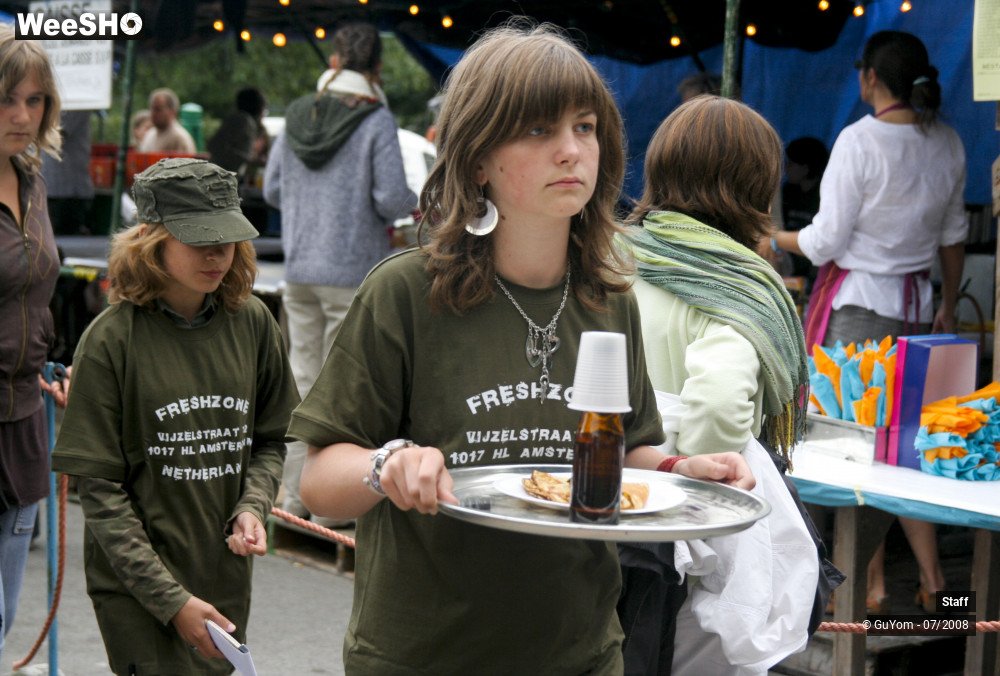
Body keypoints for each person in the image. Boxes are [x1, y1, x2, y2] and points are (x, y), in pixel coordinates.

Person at [290, 22, 754, 674]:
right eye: (539, 130)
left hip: (580, 652)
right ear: (478, 158)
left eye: (586, 127)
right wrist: (385, 466)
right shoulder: (405, 294)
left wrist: (681, 471)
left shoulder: (608, 298)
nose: (571, 151)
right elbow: (317, 483)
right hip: (424, 656)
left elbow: (624, 450)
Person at [50, 158, 299, 675]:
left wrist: (253, 504)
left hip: (223, 577)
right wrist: (171, 601)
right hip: (139, 588)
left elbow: (272, 439)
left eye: (226, 238)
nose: (217, 255)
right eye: (198, 239)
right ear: (151, 238)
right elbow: (98, 489)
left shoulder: (253, 322)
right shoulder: (111, 340)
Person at [618, 95, 827, 675]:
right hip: (682, 530)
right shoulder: (734, 282)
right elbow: (718, 416)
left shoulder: (612, 255)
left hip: (599, 495)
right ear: (755, 186)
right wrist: (681, 461)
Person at [773, 30, 966, 614]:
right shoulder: (949, 142)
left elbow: (825, 240)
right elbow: (954, 237)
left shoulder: (859, 141)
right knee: (910, 450)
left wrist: (771, 237)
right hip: (917, 309)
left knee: (852, 450)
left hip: (856, 313)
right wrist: (950, 303)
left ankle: (868, 590)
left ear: (870, 80)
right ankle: (941, 591)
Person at [264, 21, 417, 526]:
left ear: (333, 61)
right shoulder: (375, 120)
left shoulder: (296, 115)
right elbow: (391, 198)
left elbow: (271, 191)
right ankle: (331, 513)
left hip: (300, 265)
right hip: (352, 272)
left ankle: (291, 500)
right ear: (375, 69)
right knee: (344, 398)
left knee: (302, 385)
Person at [0, 25, 70, 662]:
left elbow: (39, 290)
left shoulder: (32, 182)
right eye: (5, 99)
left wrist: (53, 359)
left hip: (23, 421)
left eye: (34, 99)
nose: (22, 115)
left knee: (4, 614)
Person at [776, 137, 829, 289]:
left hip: (812, 263)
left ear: (806, 168)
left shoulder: (823, 196)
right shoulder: (787, 192)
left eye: (791, 164)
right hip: (785, 258)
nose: (786, 169)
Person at [42, 109, 95, 235]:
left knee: (64, 239)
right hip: (52, 187)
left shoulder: (76, 103)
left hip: (67, 191)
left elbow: (57, 134)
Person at [207, 87, 268, 177]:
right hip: (222, 178)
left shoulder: (238, 119)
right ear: (259, 107)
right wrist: (252, 160)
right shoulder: (244, 121)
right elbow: (216, 146)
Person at [139, 88, 196, 154]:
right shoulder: (149, 134)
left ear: (172, 111)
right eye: (152, 108)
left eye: (158, 109)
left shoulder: (178, 138)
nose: (153, 113)